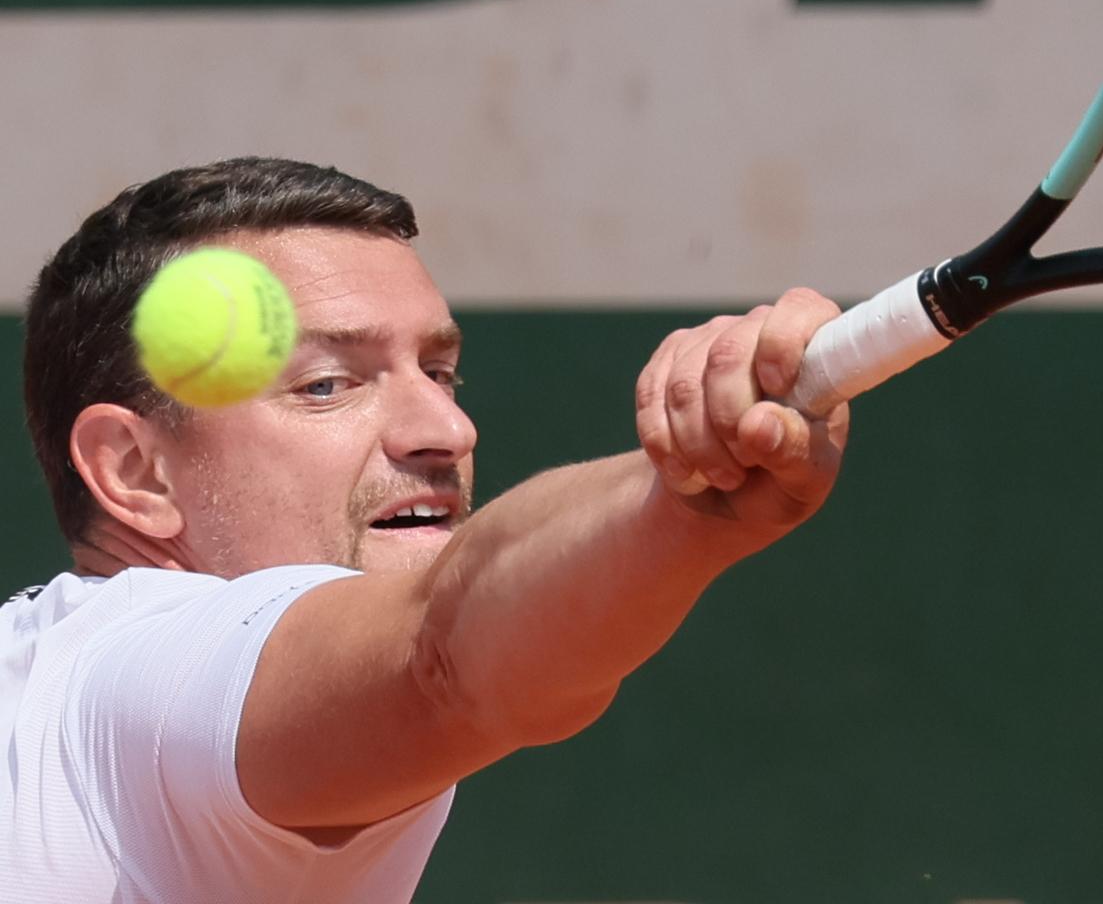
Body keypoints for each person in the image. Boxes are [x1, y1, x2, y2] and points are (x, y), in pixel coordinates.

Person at [0, 156, 847, 903]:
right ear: (134, 471)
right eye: (325, 385)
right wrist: (683, 500)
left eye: (440, 372)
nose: (447, 429)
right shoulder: (144, 679)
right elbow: (442, 655)